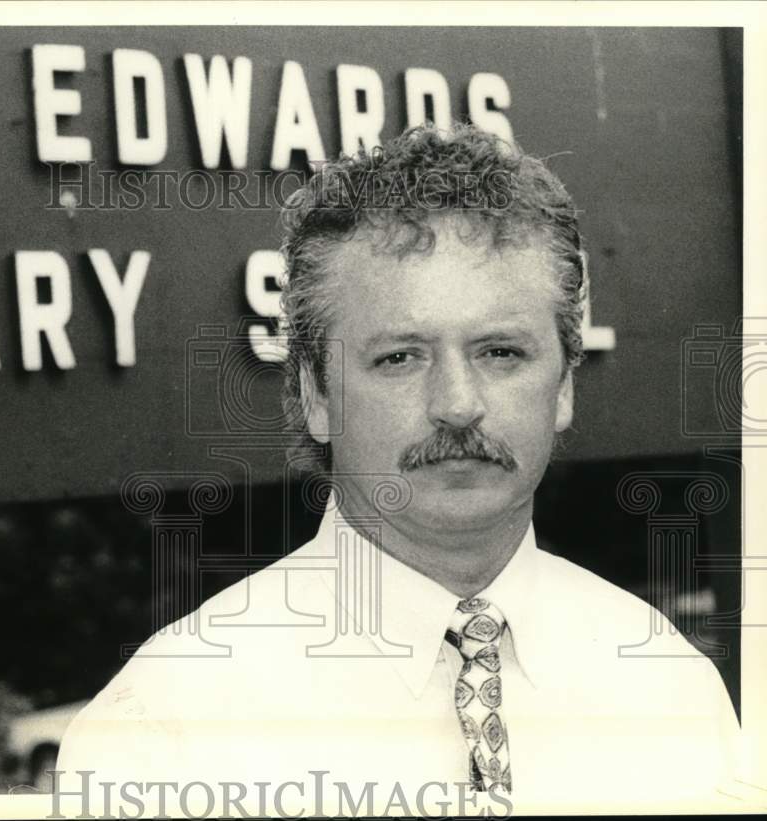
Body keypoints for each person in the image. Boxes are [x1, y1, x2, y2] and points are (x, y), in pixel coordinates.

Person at [56, 124, 741, 816]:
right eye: (400, 357)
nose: (458, 404)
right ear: (315, 394)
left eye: (501, 352)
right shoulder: (169, 726)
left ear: (563, 385)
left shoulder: (669, 683)